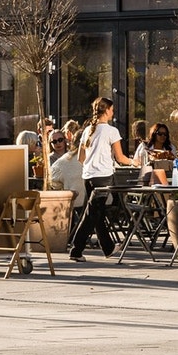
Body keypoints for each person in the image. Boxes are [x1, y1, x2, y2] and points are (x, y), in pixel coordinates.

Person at [68, 97, 134, 262]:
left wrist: (93, 163)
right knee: (92, 213)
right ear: (106, 110)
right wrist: (134, 161)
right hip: (103, 177)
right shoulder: (111, 131)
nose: (113, 112)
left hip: (88, 176)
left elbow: (81, 158)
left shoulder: (88, 130)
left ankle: (108, 248)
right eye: (111, 109)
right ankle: (76, 249)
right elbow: (120, 158)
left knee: (97, 213)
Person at [47, 127, 85, 231]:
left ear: (66, 140)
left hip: (74, 199)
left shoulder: (66, 159)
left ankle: (72, 234)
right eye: (54, 141)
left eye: (60, 140)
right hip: (99, 199)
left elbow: (53, 181)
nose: (58, 143)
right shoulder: (51, 158)